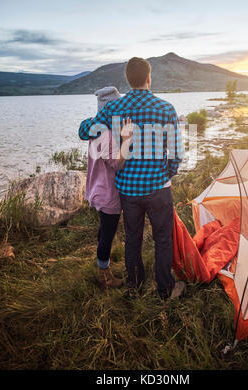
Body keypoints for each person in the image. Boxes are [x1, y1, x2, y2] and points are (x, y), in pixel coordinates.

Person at [79, 58, 185, 300]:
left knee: (133, 239)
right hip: (159, 188)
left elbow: (84, 131)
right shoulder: (166, 108)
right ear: (149, 78)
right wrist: (166, 174)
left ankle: (134, 287)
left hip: (128, 191)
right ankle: (165, 291)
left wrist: (94, 120)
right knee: (162, 239)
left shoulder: (114, 109)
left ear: (127, 80)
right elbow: (177, 152)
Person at [85, 86, 133, 288]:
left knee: (104, 230)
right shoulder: (105, 135)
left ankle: (101, 264)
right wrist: (127, 139)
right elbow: (117, 163)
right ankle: (104, 275)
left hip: (97, 189)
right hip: (108, 193)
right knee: (107, 233)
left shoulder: (96, 130)